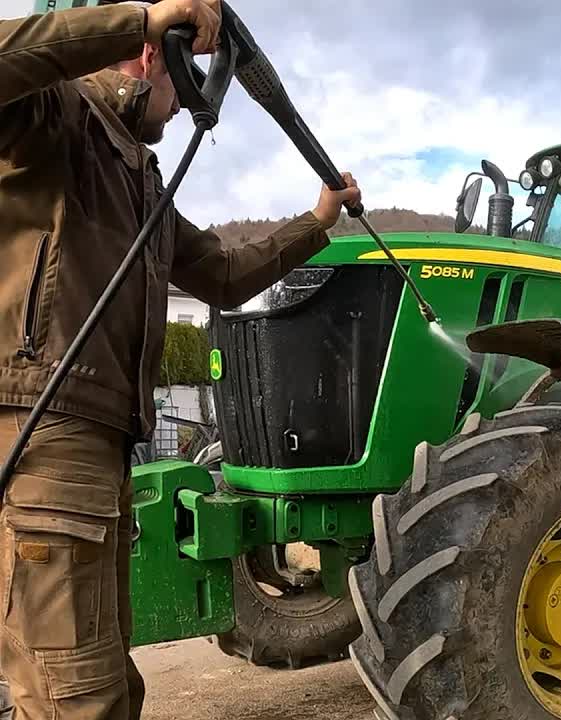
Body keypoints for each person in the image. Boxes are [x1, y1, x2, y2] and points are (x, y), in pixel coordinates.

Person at [0, 1, 361, 718]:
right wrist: (135, 16)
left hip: (98, 450)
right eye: (184, 69)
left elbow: (222, 272)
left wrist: (317, 223)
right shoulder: (55, 116)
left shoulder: (138, 174)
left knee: (99, 682)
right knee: (80, 697)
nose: (188, 93)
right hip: (48, 437)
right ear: (149, 57)